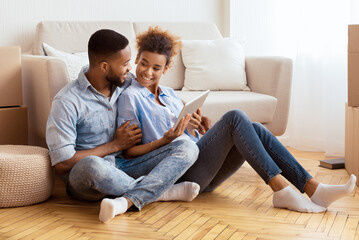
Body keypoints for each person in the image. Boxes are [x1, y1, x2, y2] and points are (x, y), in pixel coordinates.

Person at [117, 26, 357, 215]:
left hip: (200, 169)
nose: (147, 72)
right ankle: (281, 189)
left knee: (253, 128)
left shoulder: (169, 95)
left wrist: (200, 130)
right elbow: (128, 154)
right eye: (144, 63)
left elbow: (188, 137)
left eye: (156, 67)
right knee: (235, 117)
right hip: (177, 174)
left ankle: (314, 188)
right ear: (137, 59)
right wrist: (165, 140)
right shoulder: (130, 97)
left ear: (166, 68)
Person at [46, 29, 201, 223]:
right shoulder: (67, 101)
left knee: (187, 146)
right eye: (126, 63)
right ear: (104, 67)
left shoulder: (125, 82)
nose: (131, 68)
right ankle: (162, 192)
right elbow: (61, 165)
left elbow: (159, 93)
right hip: (89, 177)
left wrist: (189, 114)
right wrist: (114, 146)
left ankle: (137, 195)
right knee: (92, 165)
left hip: (127, 166)